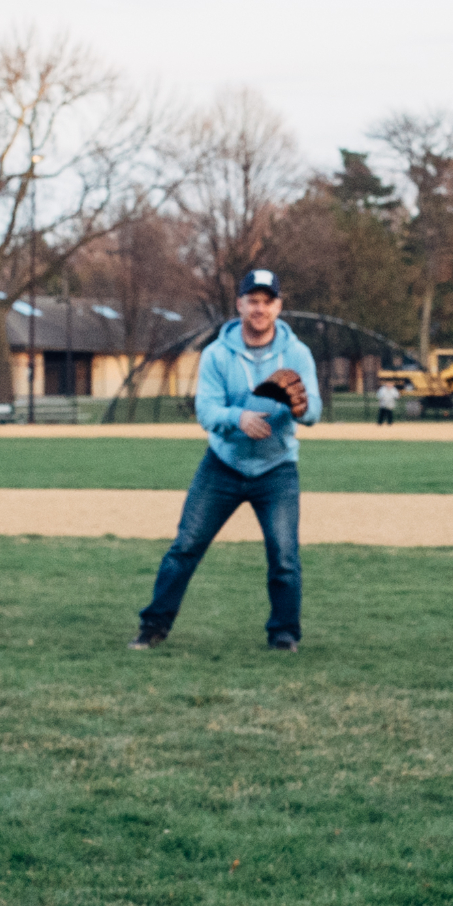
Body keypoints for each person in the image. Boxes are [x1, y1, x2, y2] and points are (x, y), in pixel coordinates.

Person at [133, 269, 322, 652]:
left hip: (277, 468)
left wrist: (302, 408)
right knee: (185, 546)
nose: (260, 308)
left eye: (267, 301)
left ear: (278, 307)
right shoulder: (217, 354)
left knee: (284, 556)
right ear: (239, 305)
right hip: (222, 466)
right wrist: (239, 418)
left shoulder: (297, 354)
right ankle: (153, 627)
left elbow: (314, 410)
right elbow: (206, 411)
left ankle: (284, 635)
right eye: (252, 300)